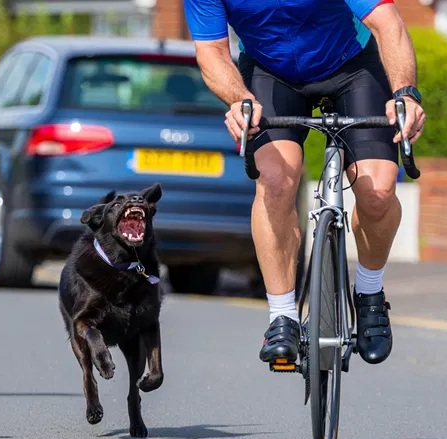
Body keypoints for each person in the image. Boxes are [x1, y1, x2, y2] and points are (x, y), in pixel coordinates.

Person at [182, 0, 427, 367]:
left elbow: (388, 24)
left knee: (378, 191)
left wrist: (405, 93)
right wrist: (239, 100)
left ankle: (370, 292)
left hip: (351, 65)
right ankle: (282, 316)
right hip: (269, 71)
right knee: (276, 181)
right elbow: (212, 52)